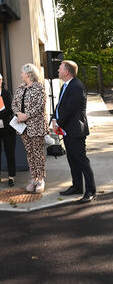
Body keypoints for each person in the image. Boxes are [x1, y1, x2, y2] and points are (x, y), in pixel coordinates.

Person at [52, 60, 96, 204]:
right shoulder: (66, 86)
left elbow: (70, 109)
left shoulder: (76, 86)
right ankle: (77, 186)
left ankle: (90, 191)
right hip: (67, 130)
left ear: (66, 71)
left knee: (81, 160)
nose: (57, 70)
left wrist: (58, 122)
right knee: (72, 160)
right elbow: (60, 106)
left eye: (60, 68)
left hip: (76, 131)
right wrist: (54, 118)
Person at [11, 63, 48, 193]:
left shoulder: (39, 88)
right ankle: (34, 178)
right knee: (29, 153)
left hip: (36, 126)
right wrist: (18, 114)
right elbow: (14, 103)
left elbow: (40, 106)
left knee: (38, 153)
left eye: (22, 72)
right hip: (23, 127)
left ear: (28, 74)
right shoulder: (20, 88)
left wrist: (26, 115)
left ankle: (41, 179)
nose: (21, 75)